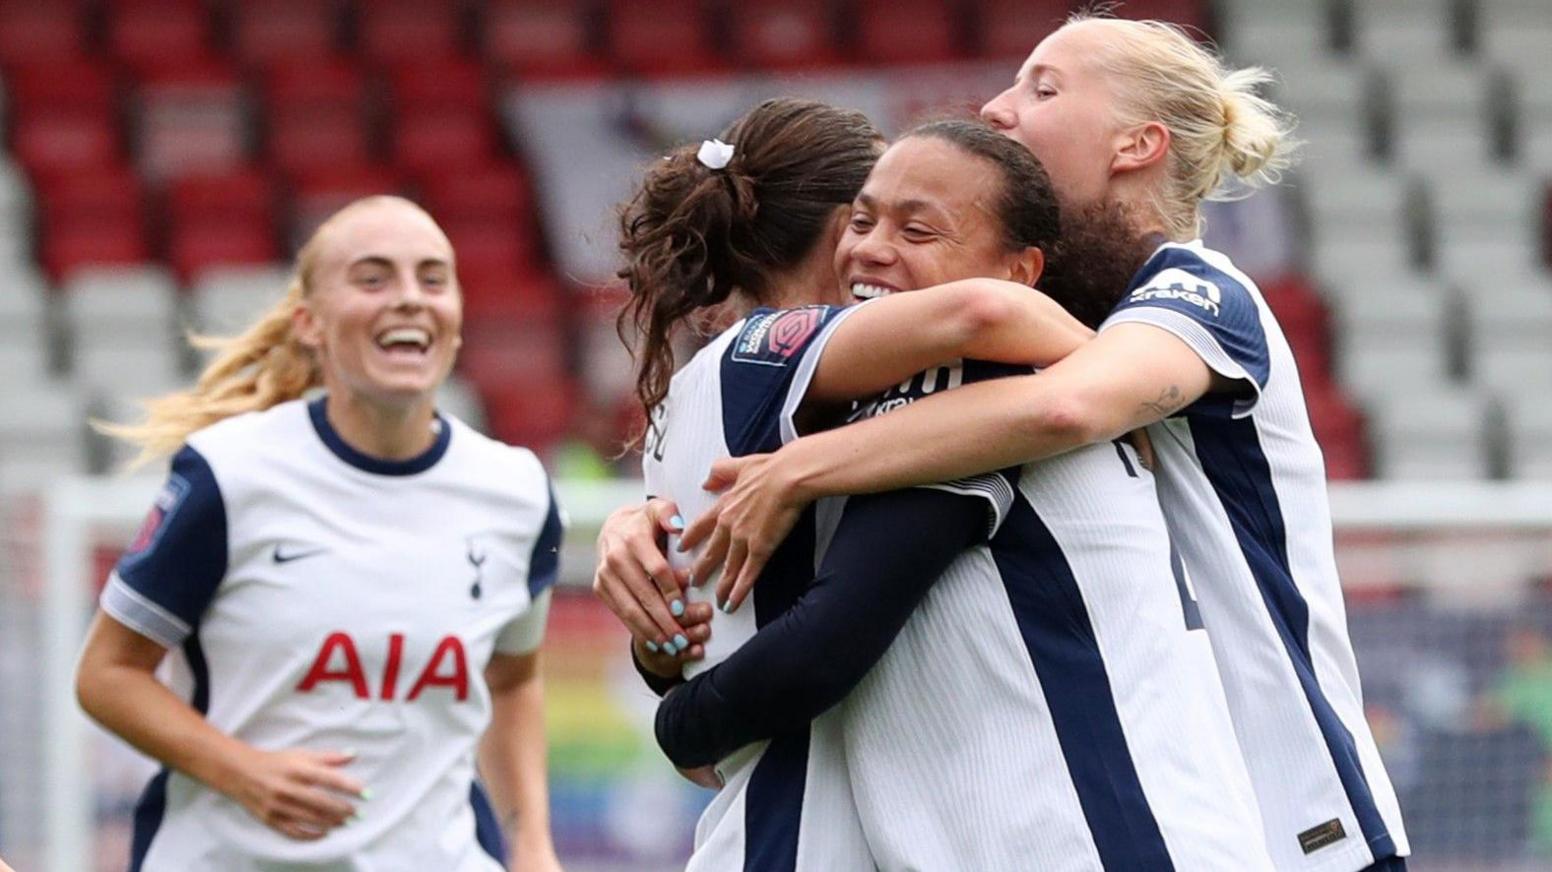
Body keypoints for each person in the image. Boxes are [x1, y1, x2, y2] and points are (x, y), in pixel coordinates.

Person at [677, 13, 1411, 872]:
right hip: (1177, 798)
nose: (998, 107)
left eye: (1044, 86)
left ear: (1136, 143)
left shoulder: (1200, 292)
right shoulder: (1050, 322)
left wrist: (800, 466)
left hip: (1298, 809)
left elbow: (1071, 406)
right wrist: (648, 525)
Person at [611, 111, 1275, 868]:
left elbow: (792, 636)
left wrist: (671, 688)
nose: (876, 248)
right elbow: (981, 311)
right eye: (866, 215)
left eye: (916, 227)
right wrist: (1114, 379)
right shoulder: (794, 361)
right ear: (834, 228)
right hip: (803, 837)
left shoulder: (719, 404)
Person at [74, 196, 564, 872]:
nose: (409, 299)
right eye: (373, 278)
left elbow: (513, 683)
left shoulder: (516, 490)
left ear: (455, 320)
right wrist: (243, 771)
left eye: (432, 278)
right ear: (309, 322)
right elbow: (106, 674)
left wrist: (533, 845)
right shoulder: (230, 474)